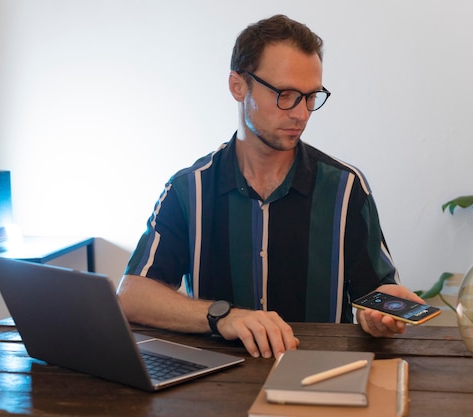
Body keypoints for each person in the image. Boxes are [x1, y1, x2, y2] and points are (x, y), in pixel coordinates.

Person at [117, 14, 424, 359]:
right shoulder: (189, 189)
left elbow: (377, 292)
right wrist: (223, 316)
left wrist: (385, 311)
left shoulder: (345, 188)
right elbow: (131, 295)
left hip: (321, 378)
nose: (301, 114)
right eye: (286, 94)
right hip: (216, 386)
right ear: (238, 86)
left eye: (311, 96)